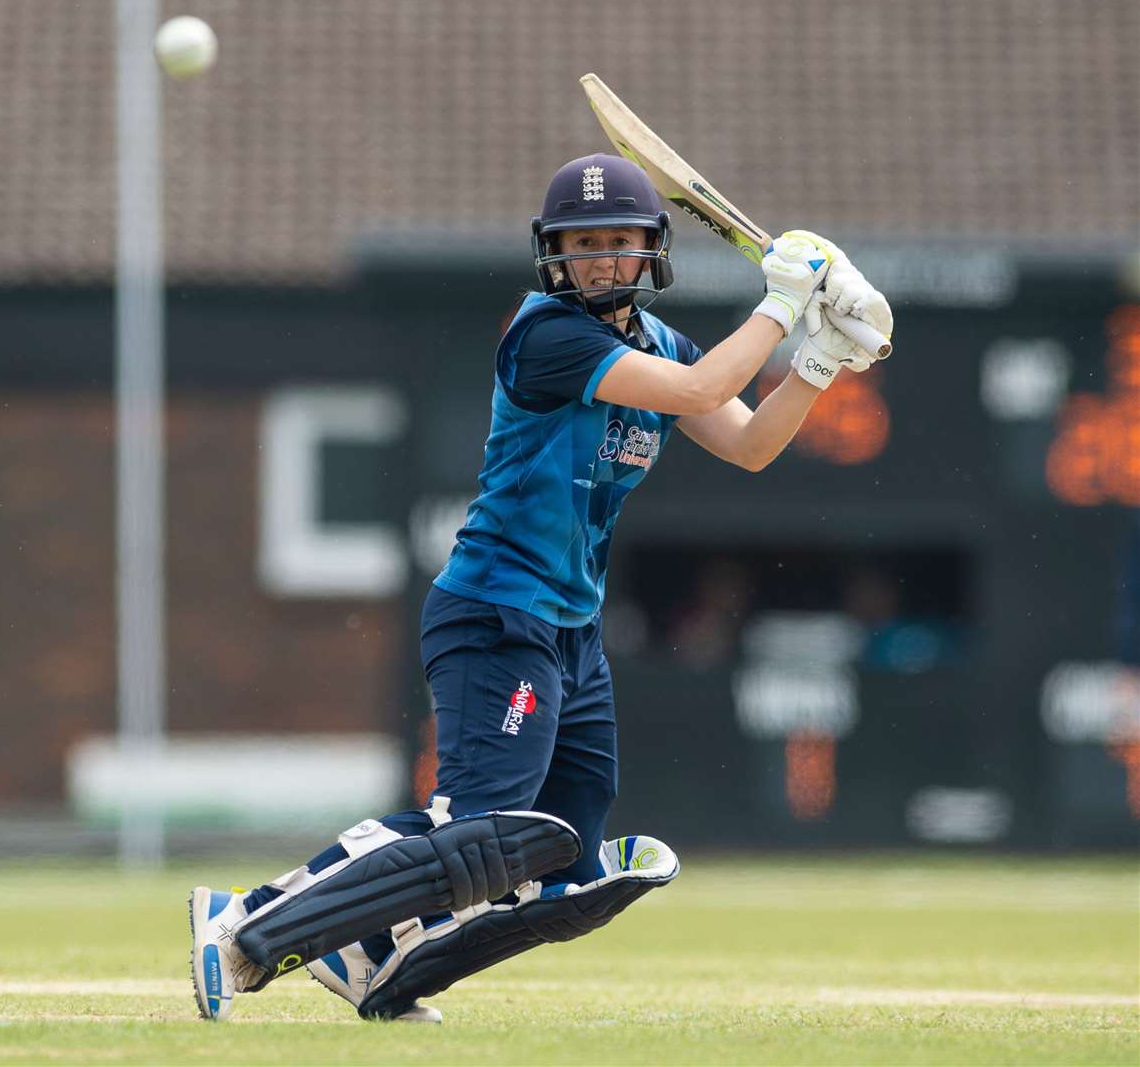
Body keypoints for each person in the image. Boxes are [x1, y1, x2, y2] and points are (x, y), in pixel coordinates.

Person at [189, 153, 893, 1024]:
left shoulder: (659, 342)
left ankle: (377, 958)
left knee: (562, 856)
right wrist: (784, 303)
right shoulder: (549, 336)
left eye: (618, 243)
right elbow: (704, 386)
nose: (600, 260)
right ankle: (246, 918)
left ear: (650, 253)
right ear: (553, 255)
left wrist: (820, 355)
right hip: (496, 612)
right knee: (479, 827)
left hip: (572, 633)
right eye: (582, 243)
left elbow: (749, 443)